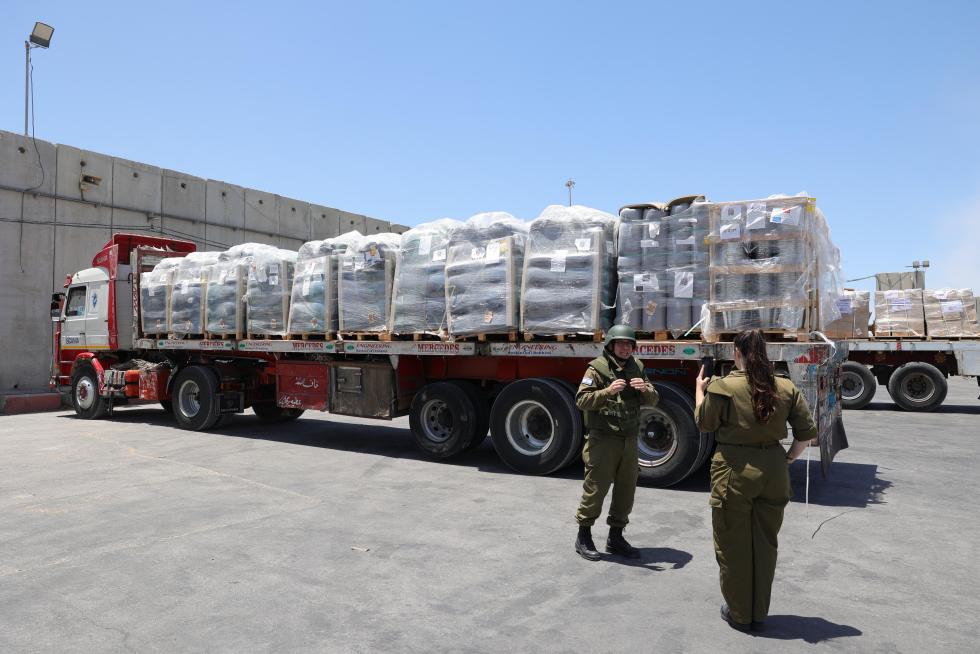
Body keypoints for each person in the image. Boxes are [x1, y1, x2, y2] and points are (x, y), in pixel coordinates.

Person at [694, 328, 817, 632]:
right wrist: (787, 459)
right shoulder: (785, 387)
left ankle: (739, 613)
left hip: (735, 471)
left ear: (736, 353)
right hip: (774, 470)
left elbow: (704, 423)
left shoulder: (723, 387)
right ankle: (758, 612)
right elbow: (807, 435)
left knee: (733, 545)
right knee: (765, 544)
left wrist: (700, 389)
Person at [573, 324, 659, 561]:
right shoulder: (597, 369)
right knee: (596, 488)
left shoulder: (637, 367)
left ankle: (616, 536)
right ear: (610, 345)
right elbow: (582, 400)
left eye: (629, 344)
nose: (625, 348)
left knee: (626, 490)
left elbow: (654, 399)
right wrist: (608, 392)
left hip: (629, 439)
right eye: (621, 343)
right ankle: (584, 536)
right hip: (603, 439)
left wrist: (646, 390)